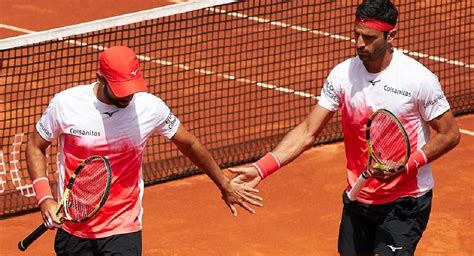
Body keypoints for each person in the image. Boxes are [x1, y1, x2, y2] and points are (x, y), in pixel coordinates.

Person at [229, 0, 460, 255]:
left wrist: (405, 166)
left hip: (405, 201)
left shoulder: (418, 80)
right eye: (357, 34)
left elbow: (450, 134)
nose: (360, 43)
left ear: (391, 35)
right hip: (358, 196)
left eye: (369, 37)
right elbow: (307, 131)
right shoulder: (342, 75)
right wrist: (261, 169)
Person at [27, 45, 262, 255]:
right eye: (120, 88)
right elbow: (36, 146)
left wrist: (224, 183)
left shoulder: (149, 107)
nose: (128, 96)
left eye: (131, 87)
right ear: (100, 78)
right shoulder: (66, 105)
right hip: (73, 231)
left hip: (123, 229)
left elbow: (189, 144)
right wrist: (45, 198)